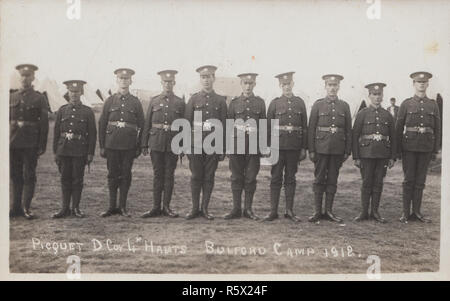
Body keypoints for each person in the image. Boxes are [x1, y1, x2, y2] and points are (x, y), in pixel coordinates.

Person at [99, 68, 145, 217]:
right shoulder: (110, 101)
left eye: (127, 79)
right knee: (112, 174)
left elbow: (142, 125)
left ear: (131, 81)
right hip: (111, 144)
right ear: (117, 80)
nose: (124, 81)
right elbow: (102, 123)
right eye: (121, 78)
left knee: (126, 174)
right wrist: (102, 145)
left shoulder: (135, 102)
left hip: (128, 145)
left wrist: (139, 145)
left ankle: (123, 206)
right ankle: (112, 206)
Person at [396, 72, 441, 223]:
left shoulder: (433, 104)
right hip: (409, 147)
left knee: (420, 180)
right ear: (413, 84)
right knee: (409, 180)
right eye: (418, 82)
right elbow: (398, 128)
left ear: (428, 84)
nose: (421, 84)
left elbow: (437, 128)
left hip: (426, 147)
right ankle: (405, 213)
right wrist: (397, 150)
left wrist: (435, 149)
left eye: (424, 82)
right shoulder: (406, 104)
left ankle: (416, 212)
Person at [263, 72, 307, 222]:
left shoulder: (300, 103)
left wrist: (303, 148)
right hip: (277, 146)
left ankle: (289, 210)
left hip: (294, 147)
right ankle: (273, 211)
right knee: (275, 177)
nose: (286, 87)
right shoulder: (274, 103)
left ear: (293, 84)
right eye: (284, 85)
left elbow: (304, 127)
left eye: (289, 84)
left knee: (290, 178)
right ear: (280, 86)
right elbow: (268, 127)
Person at [184, 65, 227, 220]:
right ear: (200, 79)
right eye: (203, 77)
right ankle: (194, 208)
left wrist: (222, 148)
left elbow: (224, 125)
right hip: (195, 144)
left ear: (213, 78)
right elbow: (187, 123)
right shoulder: (194, 99)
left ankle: (205, 209)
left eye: (209, 77)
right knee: (196, 176)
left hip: (213, 145)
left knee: (209, 177)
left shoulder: (221, 101)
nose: (206, 80)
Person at [307, 74, 352, 223]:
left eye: (335, 85)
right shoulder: (318, 105)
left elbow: (348, 130)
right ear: (325, 87)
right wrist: (311, 149)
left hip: (337, 148)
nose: (332, 88)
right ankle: (317, 211)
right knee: (319, 179)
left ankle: (329, 211)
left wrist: (347, 150)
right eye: (329, 85)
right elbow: (312, 128)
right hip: (321, 148)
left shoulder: (344, 106)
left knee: (333, 179)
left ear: (338, 87)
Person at [141, 70, 185, 218]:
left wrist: (182, 145)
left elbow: (183, 126)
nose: (168, 84)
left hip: (173, 143)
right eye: (165, 82)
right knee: (157, 174)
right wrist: (144, 144)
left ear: (174, 83)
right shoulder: (154, 101)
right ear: (161, 83)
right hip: (156, 142)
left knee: (169, 175)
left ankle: (166, 207)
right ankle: (155, 207)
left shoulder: (179, 102)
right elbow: (147, 123)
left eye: (170, 82)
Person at [224, 73, 266, 220]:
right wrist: (228, 146)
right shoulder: (234, 103)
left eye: (251, 83)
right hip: (236, 144)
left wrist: (262, 146)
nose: (248, 86)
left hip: (253, 145)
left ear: (254, 84)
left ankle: (248, 209)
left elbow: (263, 126)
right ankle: (236, 209)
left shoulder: (260, 103)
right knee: (236, 177)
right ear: (241, 84)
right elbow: (228, 126)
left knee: (250, 178)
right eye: (245, 83)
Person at [352, 83, 396, 223]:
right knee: (366, 182)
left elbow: (393, 137)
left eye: (379, 95)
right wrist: (356, 156)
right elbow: (355, 136)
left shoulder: (388, 115)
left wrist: (392, 157)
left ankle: (375, 212)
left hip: (382, 154)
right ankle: (364, 212)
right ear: (369, 96)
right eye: (374, 94)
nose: (377, 97)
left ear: (383, 96)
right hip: (366, 154)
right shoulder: (362, 114)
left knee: (378, 183)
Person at [52, 80, 96, 218]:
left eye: (77, 92)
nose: (74, 94)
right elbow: (56, 132)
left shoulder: (87, 112)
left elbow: (92, 134)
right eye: (71, 91)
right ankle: (64, 208)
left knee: (77, 179)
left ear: (81, 93)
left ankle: (76, 208)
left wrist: (90, 153)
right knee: (65, 178)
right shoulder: (62, 110)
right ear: (68, 92)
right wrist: (56, 151)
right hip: (64, 150)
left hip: (79, 150)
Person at [10, 64, 49, 219]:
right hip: (12, 143)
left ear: (33, 78)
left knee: (29, 175)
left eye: (28, 76)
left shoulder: (39, 98)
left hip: (30, 143)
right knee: (15, 175)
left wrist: (41, 145)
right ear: (19, 77)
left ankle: (26, 208)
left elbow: (44, 125)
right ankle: (15, 208)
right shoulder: (11, 96)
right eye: (22, 76)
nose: (25, 78)